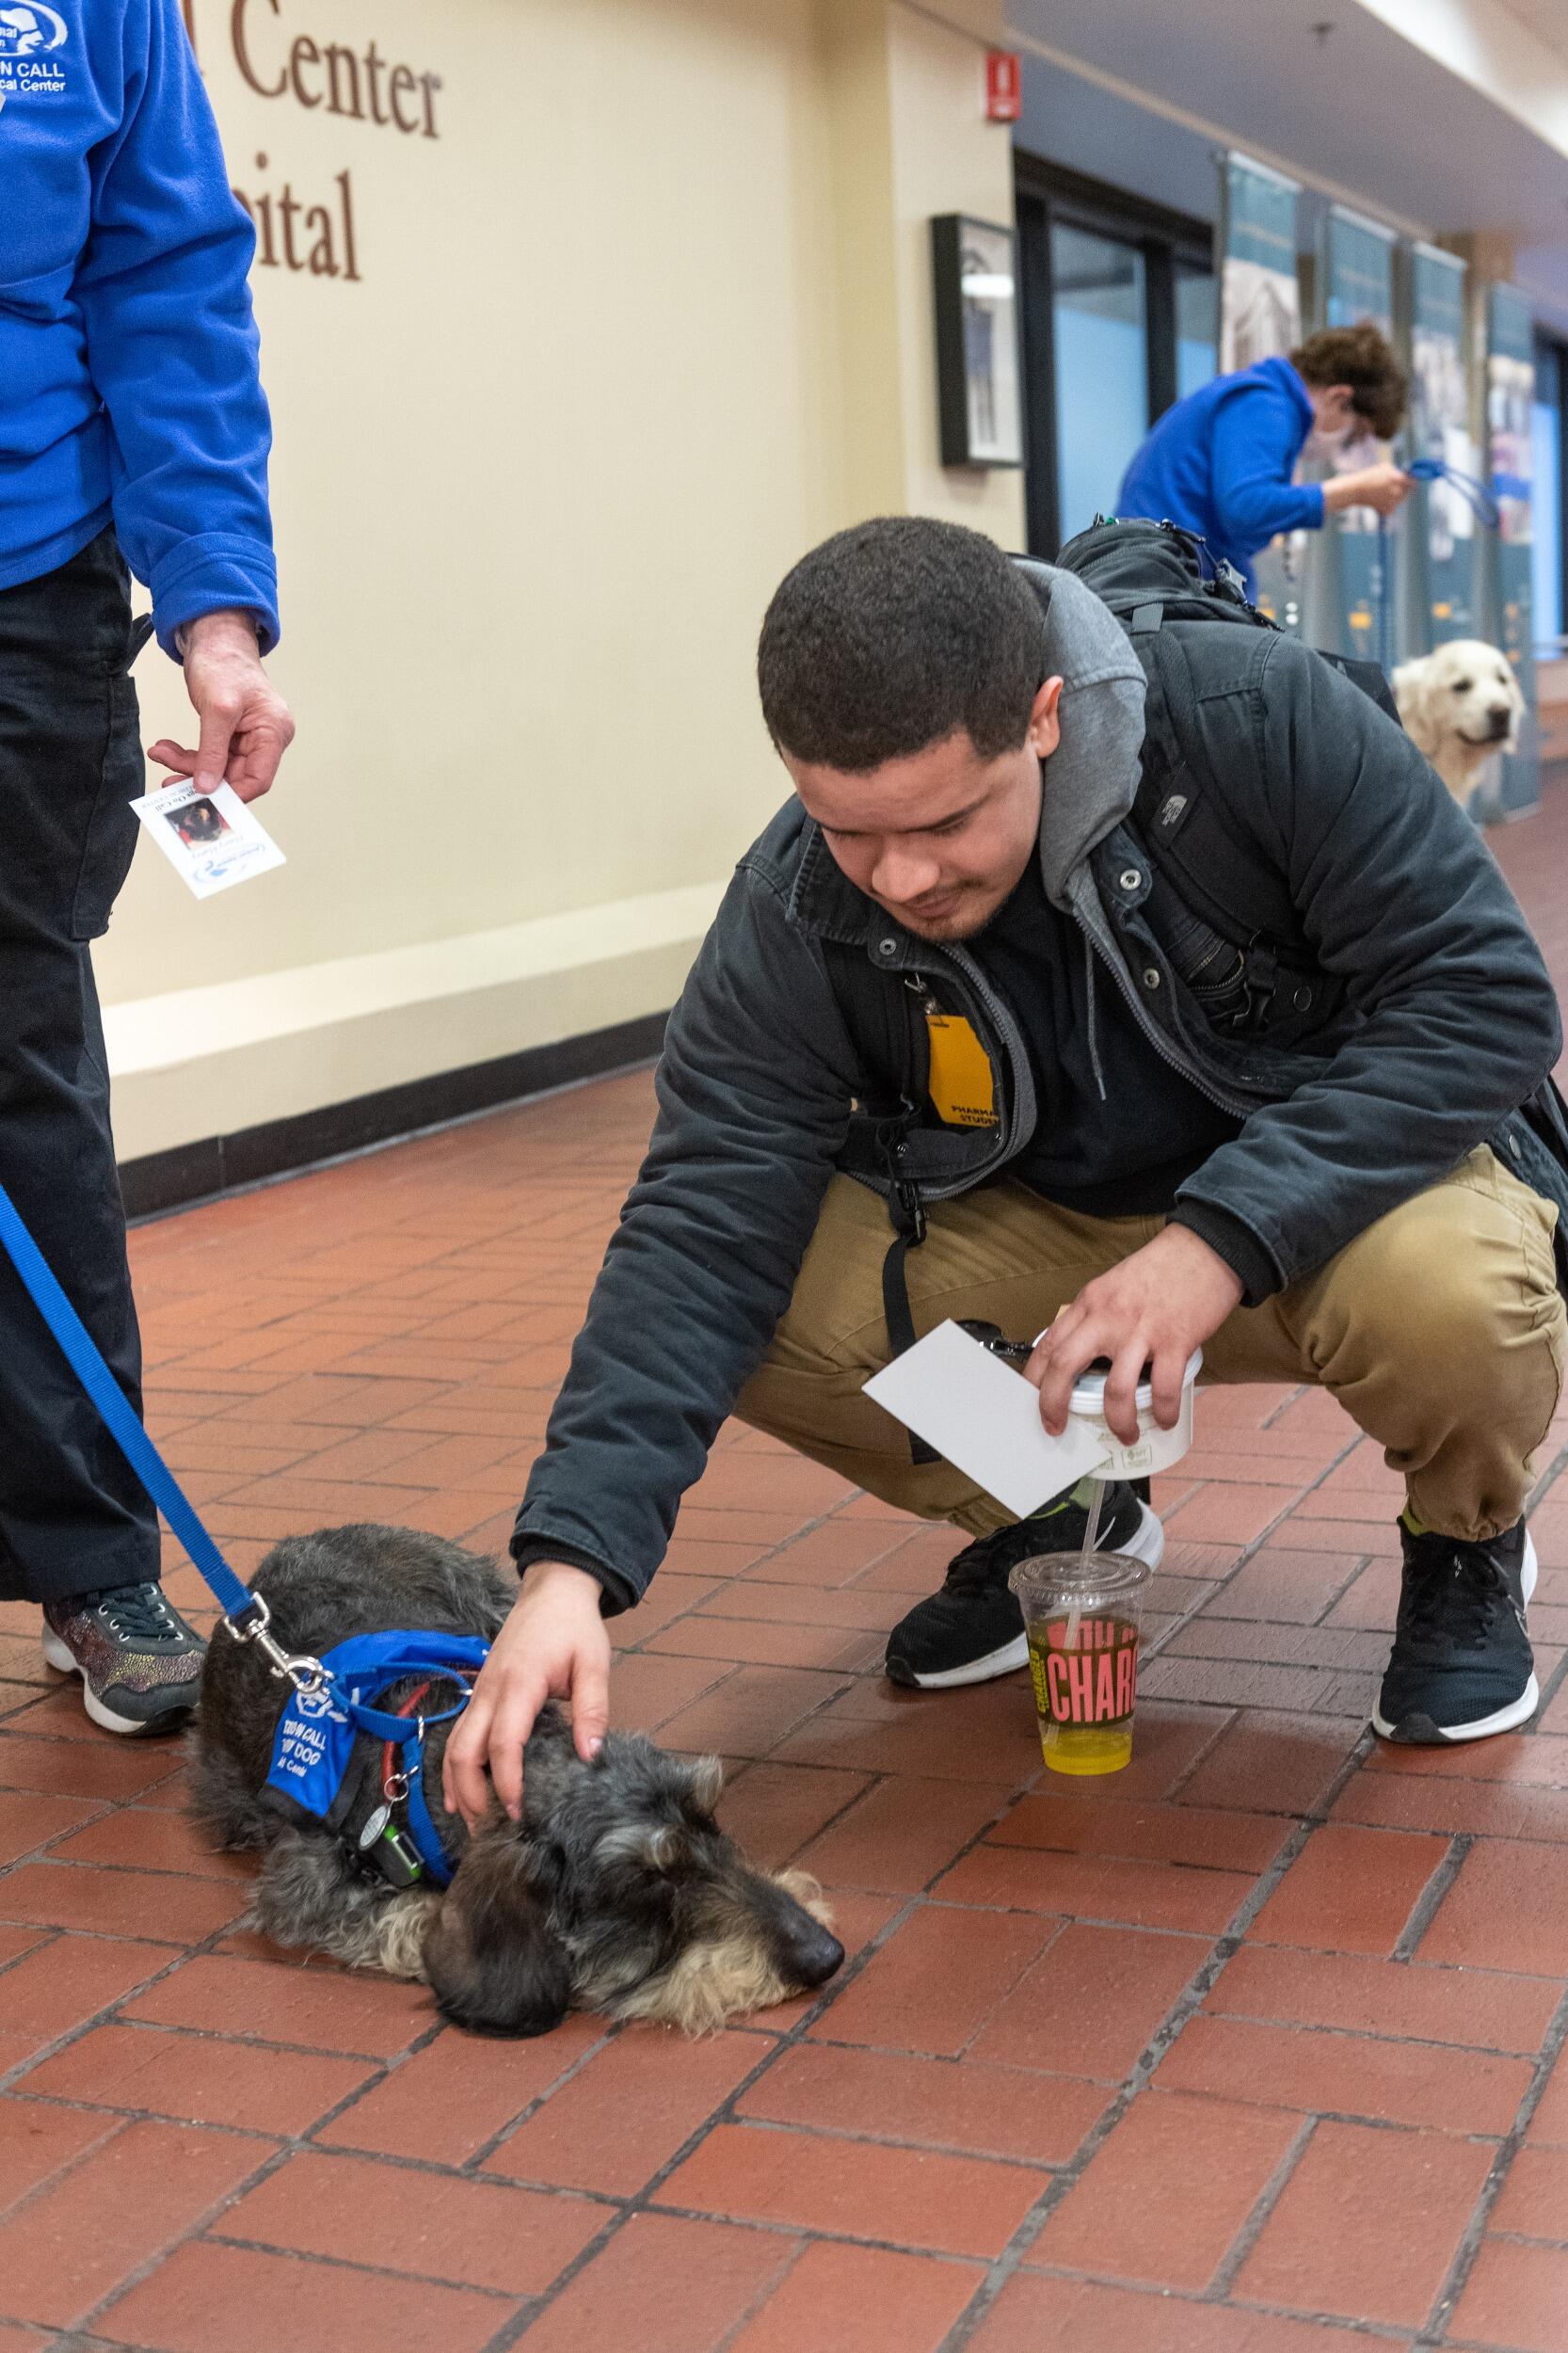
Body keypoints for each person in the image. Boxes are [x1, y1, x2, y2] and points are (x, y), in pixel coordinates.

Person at [444, 513, 1566, 1827]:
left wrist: (1210, 1245)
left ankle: (1463, 1544)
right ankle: (1067, 1506)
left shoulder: (1256, 719)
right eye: (850, 831)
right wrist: (569, 1569)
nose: (901, 877)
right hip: (1055, 1234)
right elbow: (700, 1215)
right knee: (763, 1305)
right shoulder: (800, 895)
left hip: (1319, 1208)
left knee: (1460, 1293)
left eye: (945, 819)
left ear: (1040, 717)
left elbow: (1481, 1001)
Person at [1, 0, 292, 1732]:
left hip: (25, 584)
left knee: (22, 1075)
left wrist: (218, 614)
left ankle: (88, 1555)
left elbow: (164, 286)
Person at [1116, 322, 1415, 594]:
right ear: (1339, 398)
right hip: (1162, 581)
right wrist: (1351, 491)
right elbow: (1245, 508)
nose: (1346, 448)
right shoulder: (1265, 404)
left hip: (1174, 570)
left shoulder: (1265, 401)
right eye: (1355, 435)